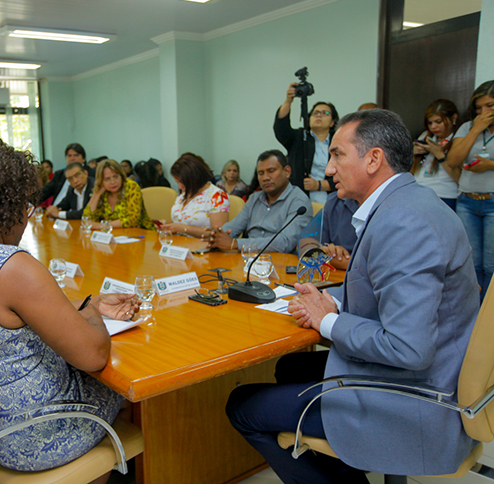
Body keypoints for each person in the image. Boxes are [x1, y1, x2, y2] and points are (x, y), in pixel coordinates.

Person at [227, 109, 480, 483]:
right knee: (290, 368)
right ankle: (347, 463)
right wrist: (335, 303)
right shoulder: (408, 204)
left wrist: (326, 320)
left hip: (413, 398)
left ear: (374, 159)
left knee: (242, 406)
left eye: (337, 155)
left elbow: (409, 348)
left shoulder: (404, 223)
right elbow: (385, 288)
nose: (329, 169)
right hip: (429, 373)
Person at [0, 136, 138, 476]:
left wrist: (85, 302)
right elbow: (94, 354)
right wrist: (93, 313)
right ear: (7, 206)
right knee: (133, 384)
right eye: (26, 206)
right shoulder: (13, 267)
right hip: (36, 435)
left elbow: (0, 322)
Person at [205, 150, 312, 253]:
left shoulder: (299, 201)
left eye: (271, 171)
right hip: (249, 259)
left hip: (280, 262)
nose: (265, 178)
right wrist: (217, 235)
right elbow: (234, 227)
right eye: (261, 173)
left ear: (287, 172)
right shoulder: (254, 198)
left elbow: (285, 242)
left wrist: (236, 244)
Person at [447, 80, 494, 301]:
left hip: (493, 201)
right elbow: (453, 159)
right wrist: (476, 129)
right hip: (467, 201)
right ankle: (472, 315)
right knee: (471, 262)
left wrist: (491, 165)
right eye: (479, 107)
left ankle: (488, 319)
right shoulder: (467, 127)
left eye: (490, 106)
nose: (484, 112)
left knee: (490, 264)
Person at [274, 84, 340, 204]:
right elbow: (281, 128)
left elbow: (346, 174)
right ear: (308, 119)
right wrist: (289, 100)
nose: (319, 115)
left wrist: (320, 185)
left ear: (332, 122)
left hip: (332, 201)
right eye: (315, 113)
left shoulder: (339, 142)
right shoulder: (299, 138)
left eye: (325, 113)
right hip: (299, 201)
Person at [160, 154, 229, 237]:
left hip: (202, 247)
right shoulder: (184, 194)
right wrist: (167, 224)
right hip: (179, 245)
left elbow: (218, 234)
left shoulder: (217, 196)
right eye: (177, 182)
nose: (180, 187)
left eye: (182, 182)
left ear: (194, 178)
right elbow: (182, 221)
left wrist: (184, 229)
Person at [411, 99, 461, 210]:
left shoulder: (458, 139)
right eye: (430, 123)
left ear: (453, 118)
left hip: (445, 195)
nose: (433, 127)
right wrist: (413, 154)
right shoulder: (425, 136)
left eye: (438, 122)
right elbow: (410, 171)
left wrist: (439, 154)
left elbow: (460, 178)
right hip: (419, 192)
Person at [84, 159, 155, 230]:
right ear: (101, 181)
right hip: (114, 235)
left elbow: (133, 220)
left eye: (116, 176)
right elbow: (87, 219)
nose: (113, 182)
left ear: (121, 176)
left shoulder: (131, 186)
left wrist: (103, 225)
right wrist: (96, 194)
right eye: (107, 179)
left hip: (141, 233)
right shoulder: (103, 192)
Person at [319, 192, 358, 270]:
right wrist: (328, 251)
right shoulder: (334, 200)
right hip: (336, 276)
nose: (334, 179)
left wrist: (345, 263)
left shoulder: (385, 206)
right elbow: (306, 245)